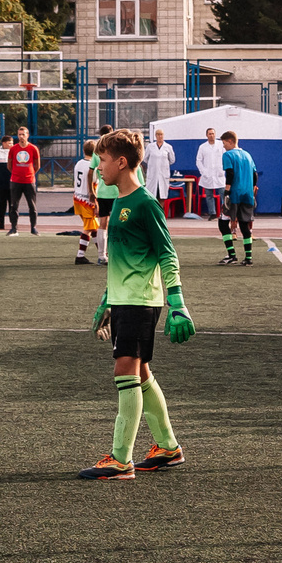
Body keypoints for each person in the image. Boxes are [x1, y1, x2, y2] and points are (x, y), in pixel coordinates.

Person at [77, 128, 193, 480]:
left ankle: (120, 460)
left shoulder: (144, 203)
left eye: (103, 160)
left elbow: (167, 255)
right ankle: (168, 448)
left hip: (142, 302)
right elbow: (122, 261)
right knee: (140, 374)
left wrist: (178, 303)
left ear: (121, 162)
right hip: (126, 300)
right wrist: (106, 301)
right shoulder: (121, 203)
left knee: (124, 372)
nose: (98, 167)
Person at [218, 131, 256, 264]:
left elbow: (230, 173)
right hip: (247, 194)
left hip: (234, 193)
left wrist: (227, 192)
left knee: (223, 223)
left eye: (224, 143)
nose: (223, 147)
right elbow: (255, 174)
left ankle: (231, 255)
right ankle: (248, 258)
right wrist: (252, 188)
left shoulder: (228, 155)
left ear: (230, 141)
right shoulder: (247, 155)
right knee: (245, 224)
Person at [69, 139, 104, 267]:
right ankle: (80, 255)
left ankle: (102, 252)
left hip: (78, 198)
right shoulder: (92, 167)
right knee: (89, 228)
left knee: (93, 227)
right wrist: (96, 202)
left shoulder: (78, 163)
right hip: (88, 200)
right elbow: (94, 184)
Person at [4, 126, 42, 234]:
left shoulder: (33, 148)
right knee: (13, 206)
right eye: (19, 134)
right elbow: (9, 165)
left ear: (27, 135)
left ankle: (33, 228)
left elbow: (37, 165)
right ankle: (14, 228)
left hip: (29, 181)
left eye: (23, 134)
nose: (21, 137)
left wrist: (30, 174)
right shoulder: (13, 149)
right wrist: (16, 173)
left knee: (32, 205)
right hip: (15, 181)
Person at [142, 128, 175, 213]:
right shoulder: (150, 147)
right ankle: (153, 212)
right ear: (155, 136)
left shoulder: (168, 147)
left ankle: (160, 213)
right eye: (158, 135)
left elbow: (172, 160)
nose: (160, 136)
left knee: (162, 195)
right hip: (152, 175)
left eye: (161, 135)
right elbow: (145, 159)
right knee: (152, 195)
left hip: (163, 175)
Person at [195, 128, 225, 223]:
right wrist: (203, 171)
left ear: (215, 134)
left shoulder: (221, 145)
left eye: (213, 133)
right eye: (209, 134)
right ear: (206, 135)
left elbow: (225, 157)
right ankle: (212, 213)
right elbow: (199, 160)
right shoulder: (203, 147)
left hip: (219, 174)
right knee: (209, 195)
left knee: (223, 194)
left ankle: (224, 213)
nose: (211, 135)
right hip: (207, 175)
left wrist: (223, 170)